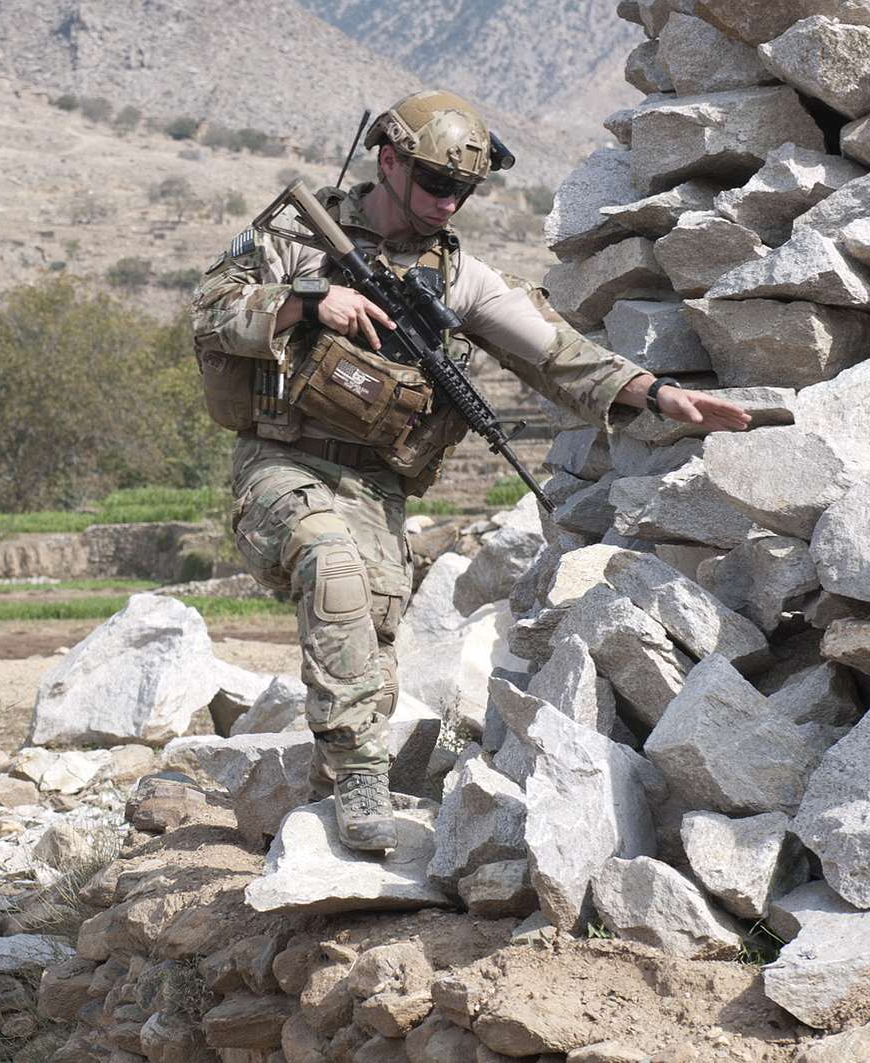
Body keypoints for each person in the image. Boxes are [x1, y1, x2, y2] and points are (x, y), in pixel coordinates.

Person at [190, 90, 751, 855]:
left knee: (367, 631)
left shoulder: (459, 279)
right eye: (433, 183)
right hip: (280, 461)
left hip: (376, 484)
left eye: (462, 191)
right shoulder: (295, 239)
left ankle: (337, 779)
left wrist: (658, 394)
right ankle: (360, 773)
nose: (446, 203)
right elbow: (209, 311)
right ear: (387, 161)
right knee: (330, 564)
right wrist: (308, 301)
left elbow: (555, 353)